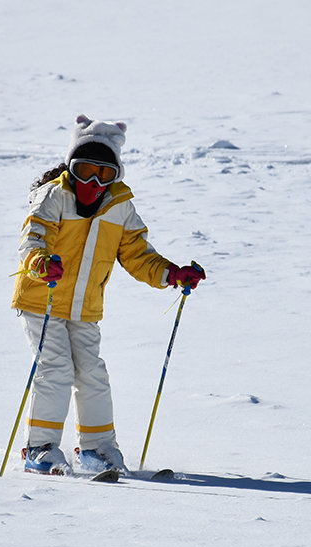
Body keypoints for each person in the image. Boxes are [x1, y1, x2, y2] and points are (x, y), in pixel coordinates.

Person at [11, 115, 205, 475]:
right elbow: (33, 237)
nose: (94, 182)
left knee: (92, 373)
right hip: (43, 298)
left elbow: (137, 254)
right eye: (85, 170)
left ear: (116, 175)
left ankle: (97, 449)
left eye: (104, 174)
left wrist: (171, 273)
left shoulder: (119, 206)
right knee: (55, 368)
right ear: (71, 168)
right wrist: (39, 263)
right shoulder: (54, 196)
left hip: (85, 305)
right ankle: (39, 448)